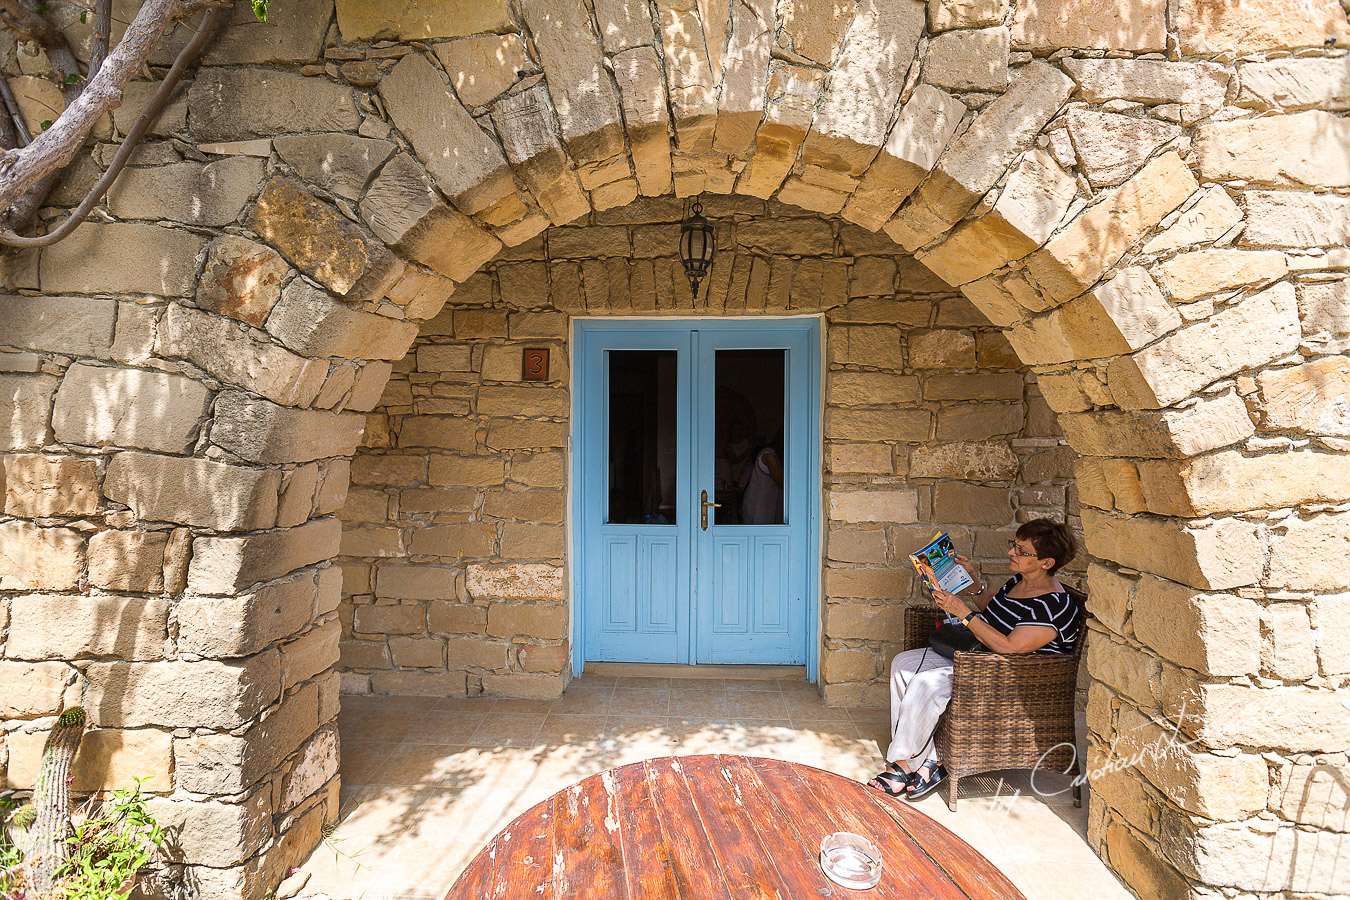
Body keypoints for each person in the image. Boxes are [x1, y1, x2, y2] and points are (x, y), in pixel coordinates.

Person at [867, 518, 1080, 800]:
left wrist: (962, 613)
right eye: (1014, 546)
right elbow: (995, 610)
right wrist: (972, 582)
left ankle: (905, 764)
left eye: (1022, 551)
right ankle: (928, 758)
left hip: (1008, 678)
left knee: (926, 685)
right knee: (904, 664)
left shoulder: (1055, 605)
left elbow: (1009, 647)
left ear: (1047, 562)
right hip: (979, 658)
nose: (1011, 553)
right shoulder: (1020, 581)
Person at [740, 430, 784, 524]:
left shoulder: (774, 455)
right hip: (759, 504)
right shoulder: (769, 456)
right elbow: (781, 482)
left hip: (768, 504)